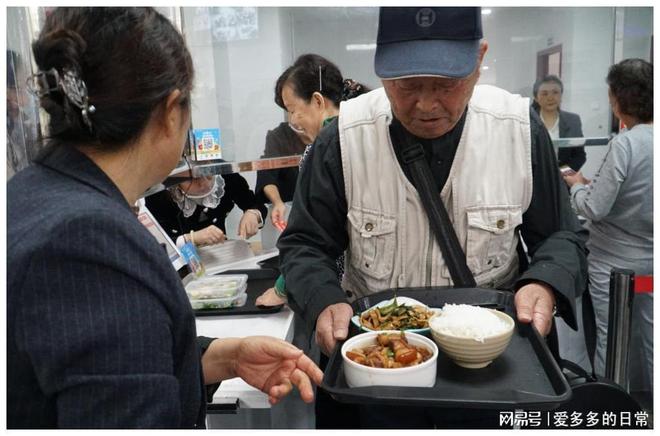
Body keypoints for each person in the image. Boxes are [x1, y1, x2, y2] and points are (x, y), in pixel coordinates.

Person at [7, 7, 322, 429]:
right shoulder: (87, 243)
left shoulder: (33, 194)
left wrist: (222, 356)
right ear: (172, 111)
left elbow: (110, 364)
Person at [278, 7, 588, 428]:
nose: (426, 104)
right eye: (406, 84)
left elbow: (561, 236)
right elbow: (305, 243)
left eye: (446, 83)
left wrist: (544, 283)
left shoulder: (517, 129)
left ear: (479, 59)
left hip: (490, 368)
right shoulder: (344, 138)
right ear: (380, 68)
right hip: (378, 368)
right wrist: (322, 298)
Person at [563, 58, 653, 393]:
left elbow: (594, 208)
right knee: (651, 333)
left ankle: (613, 409)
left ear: (617, 99)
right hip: (649, 268)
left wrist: (576, 186)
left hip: (614, 270)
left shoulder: (626, 144)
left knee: (612, 337)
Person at [254, 53, 369, 307]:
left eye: (293, 110)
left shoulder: (324, 147)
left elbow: (316, 236)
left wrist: (282, 289)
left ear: (317, 101)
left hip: (342, 292)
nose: (293, 120)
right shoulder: (365, 134)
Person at [145, 172, 267, 247]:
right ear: (175, 180)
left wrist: (253, 213)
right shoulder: (158, 196)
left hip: (221, 257)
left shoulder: (225, 177)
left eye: (208, 174)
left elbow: (255, 203)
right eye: (193, 178)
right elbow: (156, 244)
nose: (203, 183)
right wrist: (191, 238)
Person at [254, 122, 309, 228]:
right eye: (292, 113)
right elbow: (266, 173)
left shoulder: (329, 133)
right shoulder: (280, 135)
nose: (295, 118)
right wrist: (277, 202)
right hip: (289, 212)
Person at [532, 74, 586, 171]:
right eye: (544, 94)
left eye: (555, 92)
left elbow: (579, 156)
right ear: (536, 98)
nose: (550, 98)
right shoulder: (528, 121)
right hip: (535, 177)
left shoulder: (573, 120)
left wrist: (561, 174)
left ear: (561, 95)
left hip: (563, 177)